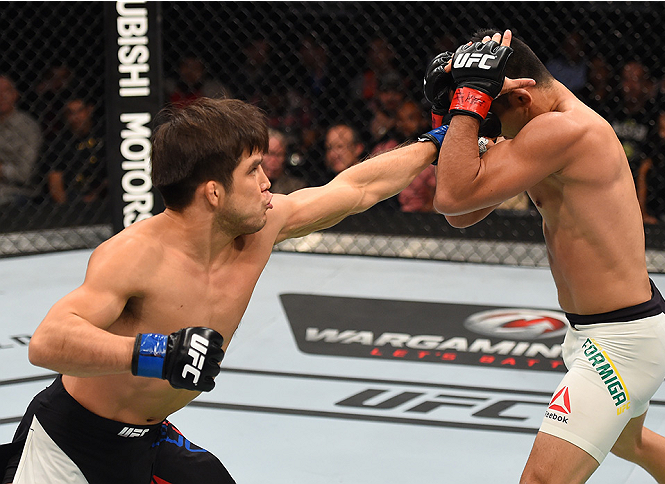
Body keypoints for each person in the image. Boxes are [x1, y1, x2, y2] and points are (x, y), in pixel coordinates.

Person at [0, 97, 445, 484]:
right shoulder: (135, 254)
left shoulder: (263, 225)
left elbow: (357, 187)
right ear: (213, 192)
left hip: (148, 438)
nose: (268, 180)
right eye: (253, 170)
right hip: (69, 443)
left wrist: (441, 139)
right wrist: (158, 351)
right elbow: (48, 342)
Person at [431, 29, 665, 483]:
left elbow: (451, 195)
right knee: (632, 443)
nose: (490, 129)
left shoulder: (561, 131)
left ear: (522, 99)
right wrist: (454, 106)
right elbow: (463, 214)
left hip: (621, 341)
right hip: (604, 327)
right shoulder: (538, 128)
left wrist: (465, 104)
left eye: (492, 116)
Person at [46, 98, 106, 205]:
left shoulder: (104, 133)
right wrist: (66, 207)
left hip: (104, 191)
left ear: (89, 110)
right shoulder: (59, 142)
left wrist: (97, 193)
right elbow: (55, 180)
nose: (76, 117)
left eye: (80, 111)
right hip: (72, 194)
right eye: (71, 113)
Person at [0, 75, 42, 206]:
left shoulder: (27, 127)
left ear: (15, 95)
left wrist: (1, 170)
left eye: (5, 91)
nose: (1, 96)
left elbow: (24, 174)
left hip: (16, 192)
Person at [261, 128, 307, 195]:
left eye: (279, 155)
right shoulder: (250, 184)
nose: (273, 160)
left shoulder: (296, 188)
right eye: (269, 154)